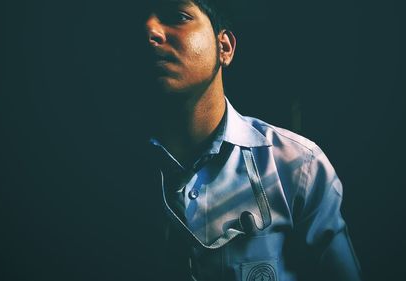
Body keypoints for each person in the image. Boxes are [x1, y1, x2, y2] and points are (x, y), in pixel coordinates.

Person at [140, 0, 362, 280]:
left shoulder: (298, 166)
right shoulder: (107, 171)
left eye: (179, 16)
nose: (150, 30)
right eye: (140, 22)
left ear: (225, 48)